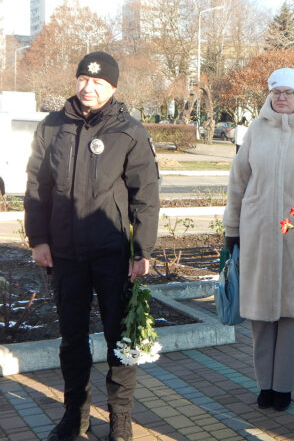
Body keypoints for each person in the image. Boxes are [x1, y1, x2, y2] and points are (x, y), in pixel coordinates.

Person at [24, 51, 160, 441]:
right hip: (65, 254)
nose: (89, 87)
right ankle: (75, 415)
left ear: (113, 87)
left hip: (112, 254)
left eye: (99, 82)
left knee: (121, 338)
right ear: (75, 81)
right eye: (84, 79)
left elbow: (145, 195)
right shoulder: (52, 127)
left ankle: (120, 419)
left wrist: (142, 251)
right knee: (72, 339)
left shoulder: (128, 131)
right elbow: (37, 188)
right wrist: (39, 240)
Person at [222, 67, 294, 412]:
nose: (281, 97)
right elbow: (238, 182)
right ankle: (264, 385)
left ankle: (283, 388)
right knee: (260, 316)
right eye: (276, 92)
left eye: (288, 92)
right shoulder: (257, 129)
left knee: (292, 314)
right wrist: (232, 229)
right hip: (258, 234)